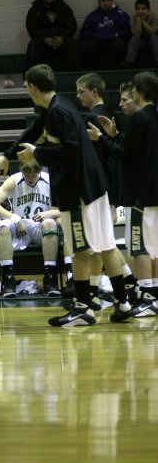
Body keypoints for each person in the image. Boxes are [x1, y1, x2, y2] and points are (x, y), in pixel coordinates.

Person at [0, 63, 134, 328]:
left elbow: (72, 149)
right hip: (92, 188)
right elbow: (31, 132)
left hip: (79, 191)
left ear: (32, 85)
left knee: (79, 250)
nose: (24, 89)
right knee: (104, 246)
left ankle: (82, 309)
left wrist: (37, 153)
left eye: (25, 84)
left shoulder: (59, 112)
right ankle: (123, 304)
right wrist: (7, 155)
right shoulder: (55, 108)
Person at [89, 72, 158, 318]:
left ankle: (148, 297)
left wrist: (101, 138)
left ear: (141, 91)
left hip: (140, 192)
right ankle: (154, 296)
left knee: (139, 246)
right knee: (153, 247)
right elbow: (134, 149)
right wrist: (115, 135)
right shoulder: (153, 116)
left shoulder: (140, 117)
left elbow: (124, 154)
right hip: (153, 191)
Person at [76, 73, 136, 309]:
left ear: (95, 92)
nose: (78, 96)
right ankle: (129, 283)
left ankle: (94, 292)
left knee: (99, 245)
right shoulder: (111, 112)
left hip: (101, 188)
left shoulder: (93, 116)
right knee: (103, 242)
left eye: (82, 91)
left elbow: (97, 158)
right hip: (110, 185)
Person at [0, 159, 62, 298]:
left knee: (50, 223)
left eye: (33, 175)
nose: (30, 179)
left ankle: (50, 277)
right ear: (21, 171)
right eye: (27, 175)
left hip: (41, 225)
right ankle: (8, 279)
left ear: (39, 171)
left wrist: (50, 213)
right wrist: (15, 218)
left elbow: (68, 208)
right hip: (20, 225)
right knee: (3, 227)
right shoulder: (14, 180)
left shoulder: (50, 180)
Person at [25, 0, 79, 70]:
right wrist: (44, 38)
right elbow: (31, 28)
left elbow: (71, 24)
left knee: (72, 43)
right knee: (33, 45)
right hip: (43, 41)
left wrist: (62, 37)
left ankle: (75, 76)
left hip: (61, 40)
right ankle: (30, 77)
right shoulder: (34, 9)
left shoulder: (64, 7)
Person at [80, 0, 131, 70]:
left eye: (108, 0)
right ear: (99, 2)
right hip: (98, 40)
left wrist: (116, 34)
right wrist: (95, 35)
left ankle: (119, 72)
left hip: (114, 40)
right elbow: (84, 32)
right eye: (103, 0)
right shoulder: (92, 16)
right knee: (87, 47)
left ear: (111, 1)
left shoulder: (121, 14)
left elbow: (126, 31)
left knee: (119, 45)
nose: (105, 3)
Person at [121, 0, 158, 68]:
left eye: (143, 9)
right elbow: (136, 35)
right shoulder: (133, 18)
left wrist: (143, 21)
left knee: (154, 38)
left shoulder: (154, 17)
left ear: (148, 10)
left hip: (151, 39)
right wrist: (138, 21)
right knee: (134, 39)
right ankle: (129, 61)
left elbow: (152, 32)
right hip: (140, 40)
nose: (141, 11)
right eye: (138, 9)